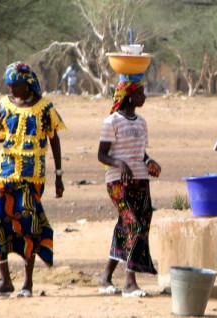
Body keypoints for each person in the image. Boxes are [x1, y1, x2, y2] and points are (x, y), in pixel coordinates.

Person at [0, 62, 66, 298]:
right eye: (8, 86)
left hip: (32, 175)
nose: (11, 90)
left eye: (15, 85)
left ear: (27, 85)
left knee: (29, 226)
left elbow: (54, 140)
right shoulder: (5, 105)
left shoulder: (46, 108)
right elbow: (2, 135)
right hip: (5, 173)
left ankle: (28, 283)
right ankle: (6, 281)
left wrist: (59, 176)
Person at [97, 73, 161, 297]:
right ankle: (129, 282)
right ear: (129, 97)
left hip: (140, 180)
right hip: (118, 182)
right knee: (134, 225)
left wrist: (149, 162)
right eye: (140, 93)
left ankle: (105, 277)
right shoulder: (111, 121)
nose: (144, 96)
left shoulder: (141, 122)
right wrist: (119, 164)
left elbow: (140, 152)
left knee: (127, 226)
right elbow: (102, 155)